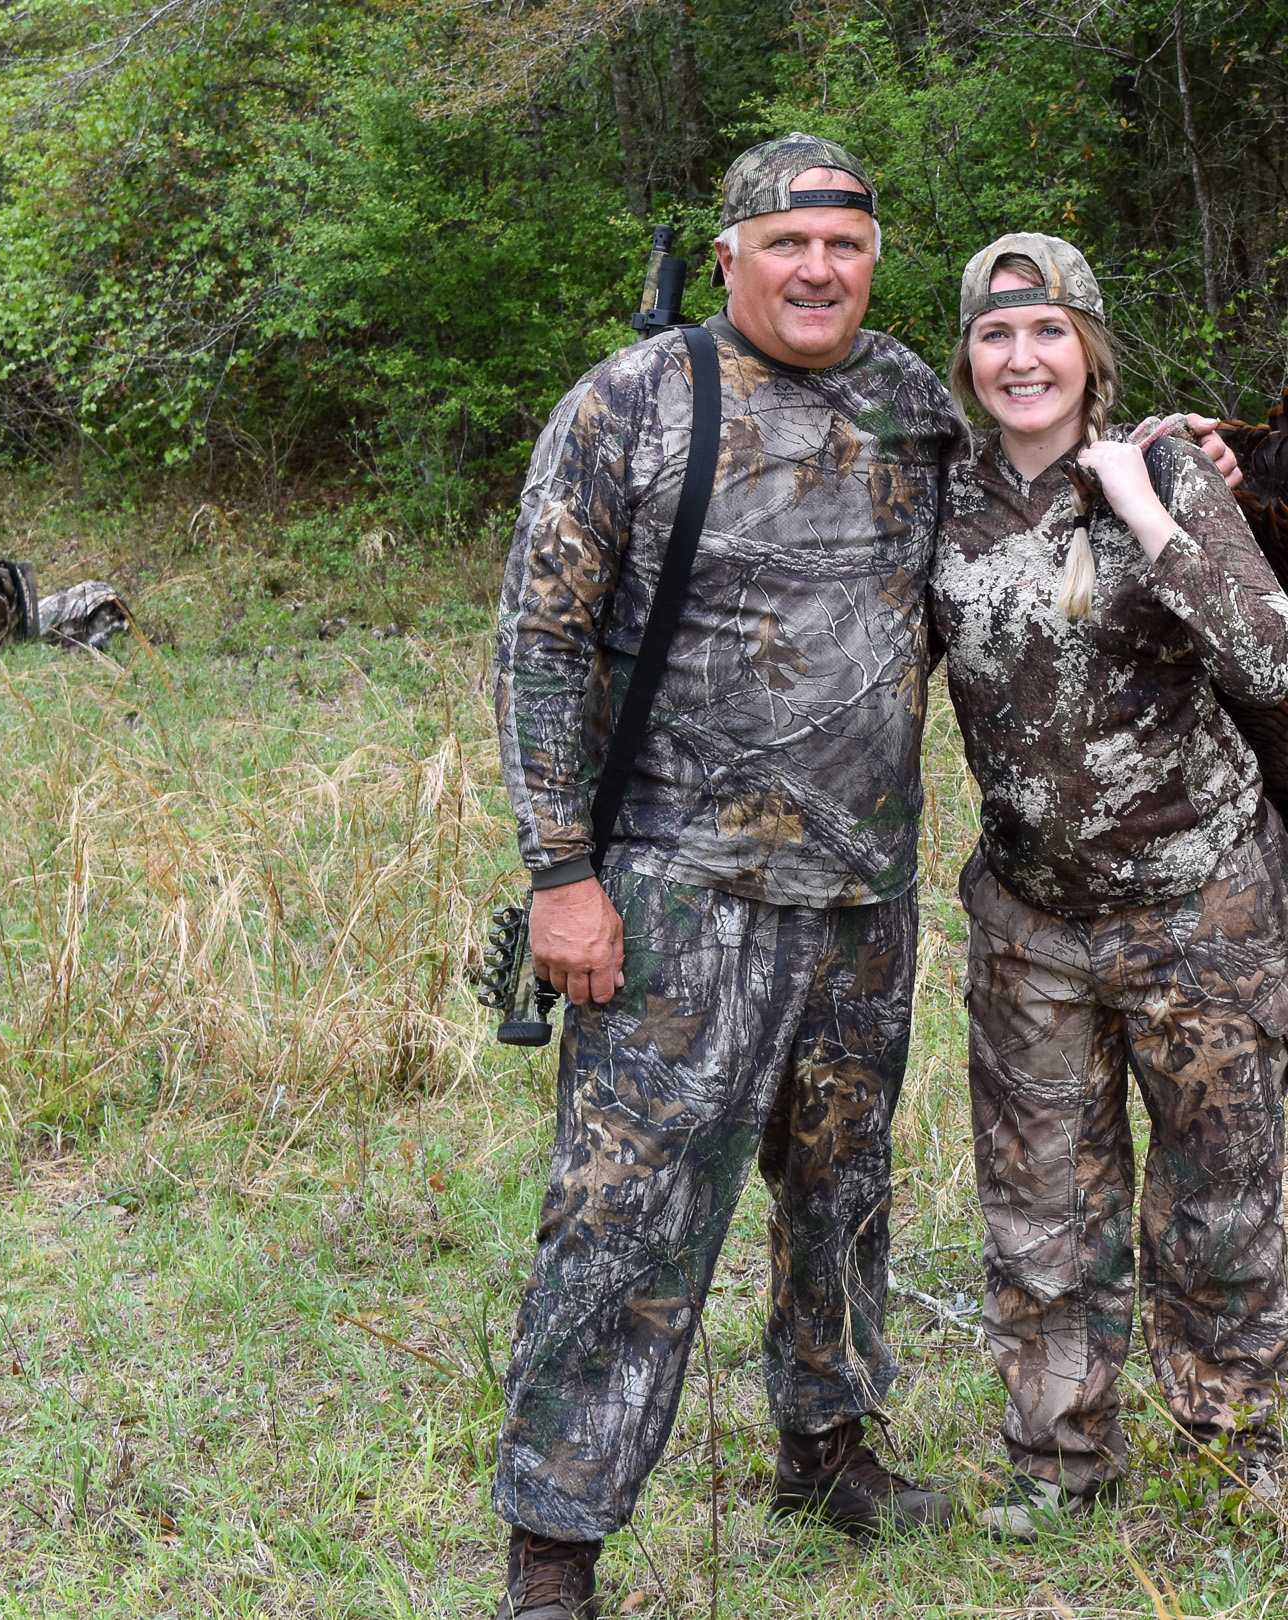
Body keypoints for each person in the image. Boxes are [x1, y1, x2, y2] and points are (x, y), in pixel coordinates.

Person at [487, 134, 967, 1620]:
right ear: (734, 257)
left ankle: (827, 1447)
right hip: (675, 897)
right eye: (789, 246)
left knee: (843, 1188)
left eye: (847, 246)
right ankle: (556, 1547)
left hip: (862, 893)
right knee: (625, 1218)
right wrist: (564, 875)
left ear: (873, 259)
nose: (820, 270)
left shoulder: (911, 402)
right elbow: (542, 644)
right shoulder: (630, 402)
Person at [927, 233, 1288, 1538]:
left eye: (1046, 334)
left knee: (1215, 1200)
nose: (1020, 358)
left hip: (1201, 909)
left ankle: (1233, 1457)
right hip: (1031, 921)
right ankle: (1059, 1463)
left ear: (1087, 346)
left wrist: (1145, 498)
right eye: (994, 335)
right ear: (969, 355)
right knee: (1041, 1207)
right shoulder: (943, 494)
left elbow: (1268, 657)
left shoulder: (1166, 473)